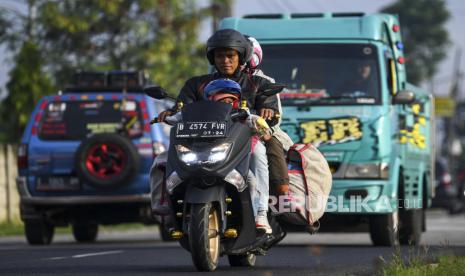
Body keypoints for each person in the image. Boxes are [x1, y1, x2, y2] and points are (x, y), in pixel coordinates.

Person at [157, 29, 279, 233]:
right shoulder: (196, 84)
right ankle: (167, 212)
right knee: (160, 161)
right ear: (212, 58)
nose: (225, 60)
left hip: (243, 139)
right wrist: (170, 112)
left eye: (230, 55)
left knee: (259, 156)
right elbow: (182, 106)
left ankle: (260, 213)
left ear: (241, 57)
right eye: (220, 56)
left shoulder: (258, 84)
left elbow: (271, 107)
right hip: (201, 141)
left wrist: (268, 110)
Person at [243, 35, 293, 196]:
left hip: (256, 132)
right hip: (225, 133)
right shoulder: (217, 81)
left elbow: (273, 113)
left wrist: (265, 119)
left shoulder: (263, 81)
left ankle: (280, 193)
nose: (228, 60)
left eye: (235, 55)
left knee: (270, 144)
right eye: (222, 55)